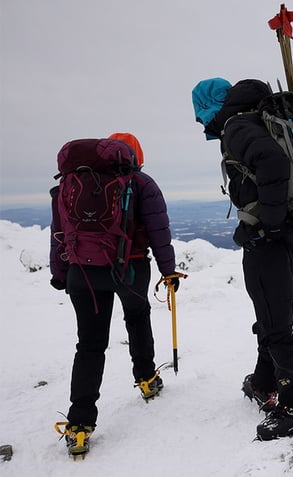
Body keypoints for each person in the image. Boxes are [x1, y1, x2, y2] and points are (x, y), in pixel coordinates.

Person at [192, 78, 293, 440]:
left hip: (273, 235)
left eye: (199, 113)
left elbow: (271, 162)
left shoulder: (237, 126)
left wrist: (267, 224)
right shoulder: (258, 120)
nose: (200, 122)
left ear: (210, 107)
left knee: (276, 322)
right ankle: (265, 381)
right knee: (271, 310)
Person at [50, 132, 179, 453]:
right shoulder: (143, 183)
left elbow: (58, 232)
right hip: (130, 269)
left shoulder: (69, 182)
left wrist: (61, 273)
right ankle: (147, 379)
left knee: (90, 344)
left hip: (83, 273)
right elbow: (158, 231)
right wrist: (168, 270)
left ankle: (79, 422)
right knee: (137, 319)